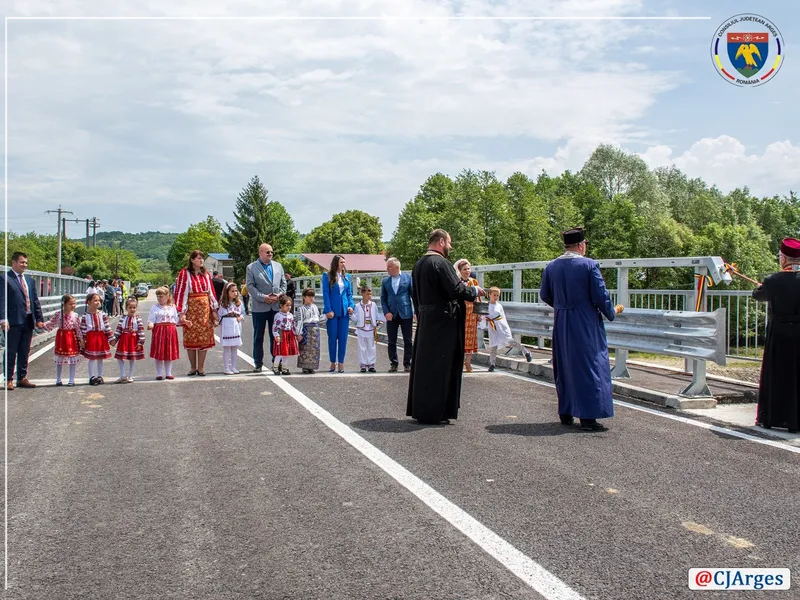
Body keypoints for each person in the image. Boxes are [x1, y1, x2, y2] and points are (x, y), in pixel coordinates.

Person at [540, 227, 624, 432]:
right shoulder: (589, 265)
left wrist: (561, 306)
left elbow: (545, 294)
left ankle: (566, 412)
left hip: (562, 321)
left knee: (565, 365)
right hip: (584, 320)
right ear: (581, 245)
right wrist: (611, 312)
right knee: (590, 365)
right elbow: (600, 296)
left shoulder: (551, 266)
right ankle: (588, 417)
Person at [406, 229, 485, 424]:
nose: (450, 246)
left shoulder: (419, 264)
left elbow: (414, 294)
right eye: (448, 243)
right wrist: (474, 290)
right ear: (441, 242)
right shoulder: (441, 263)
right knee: (442, 366)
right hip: (443, 323)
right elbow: (456, 290)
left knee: (425, 366)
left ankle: (422, 409)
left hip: (426, 319)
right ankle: (438, 410)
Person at [753, 237, 800, 433]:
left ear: (783, 258)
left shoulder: (772, 280)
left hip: (780, 334)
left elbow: (758, 295)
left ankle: (771, 417)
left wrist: (761, 287)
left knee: (777, 374)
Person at [1, 252, 45, 389]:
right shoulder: (5, 278)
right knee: (11, 350)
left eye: (26, 262)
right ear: (13, 262)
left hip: (28, 319)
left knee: (24, 350)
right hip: (13, 321)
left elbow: (35, 301)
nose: (24, 265)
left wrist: (39, 319)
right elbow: (2, 300)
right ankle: (8, 379)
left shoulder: (29, 280)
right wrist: (3, 318)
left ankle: (22, 377)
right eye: (22, 262)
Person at [174, 250, 219, 376]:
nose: (201, 260)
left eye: (202, 258)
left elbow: (211, 292)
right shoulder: (185, 273)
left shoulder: (206, 274)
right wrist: (182, 313)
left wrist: (213, 310)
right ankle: (193, 367)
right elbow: (181, 293)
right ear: (192, 260)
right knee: (191, 339)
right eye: (199, 258)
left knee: (204, 339)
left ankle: (201, 367)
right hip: (192, 311)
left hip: (204, 311)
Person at [246, 243, 287, 373]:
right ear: (260, 253)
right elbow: (250, 287)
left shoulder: (278, 266)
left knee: (275, 336)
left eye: (271, 252)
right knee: (258, 336)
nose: (270, 254)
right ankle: (258, 363)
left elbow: (283, 284)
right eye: (267, 252)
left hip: (275, 306)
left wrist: (279, 295)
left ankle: (277, 362)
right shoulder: (251, 267)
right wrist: (264, 297)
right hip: (260, 307)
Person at [483, 287, 533, 371]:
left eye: (497, 295)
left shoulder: (499, 306)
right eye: (494, 295)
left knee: (510, 341)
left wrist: (506, 328)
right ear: (489, 295)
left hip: (501, 326)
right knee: (493, 345)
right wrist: (481, 319)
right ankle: (492, 364)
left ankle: (526, 351)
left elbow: (503, 318)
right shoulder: (486, 305)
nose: (496, 297)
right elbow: (483, 316)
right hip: (492, 327)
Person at [322, 255, 355, 373]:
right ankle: (332, 362)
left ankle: (341, 362)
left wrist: (351, 306)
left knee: (343, 338)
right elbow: (326, 294)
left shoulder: (347, 276)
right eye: (341, 262)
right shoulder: (327, 276)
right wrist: (328, 310)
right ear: (336, 263)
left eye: (344, 262)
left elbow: (349, 294)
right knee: (332, 338)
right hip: (333, 312)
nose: (343, 264)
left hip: (344, 312)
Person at [381, 257, 414, 373]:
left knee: (408, 340)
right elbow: (383, 298)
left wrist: (415, 312)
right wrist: (386, 312)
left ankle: (407, 363)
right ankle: (394, 363)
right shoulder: (385, 281)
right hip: (391, 313)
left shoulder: (408, 278)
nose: (387, 269)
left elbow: (413, 296)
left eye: (389, 267)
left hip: (405, 312)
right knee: (391, 340)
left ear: (396, 267)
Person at [42, 294, 83, 387]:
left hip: (71, 336)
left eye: (74, 304)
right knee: (59, 357)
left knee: (72, 358)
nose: (73, 306)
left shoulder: (75, 315)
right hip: (61, 336)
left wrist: (81, 339)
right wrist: (43, 325)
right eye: (70, 304)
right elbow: (51, 323)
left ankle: (71, 379)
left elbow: (77, 328)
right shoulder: (58, 313)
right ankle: (58, 379)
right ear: (63, 304)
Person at [80, 292, 114, 386]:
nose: (97, 302)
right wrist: (82, 340)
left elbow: (107, 326)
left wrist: (111, 338)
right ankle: (92, 377)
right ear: (89, 302)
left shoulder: (102, 314)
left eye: (98, 300)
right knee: (91, 358)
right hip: (91, 337)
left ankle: (100, 376)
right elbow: (82, 329)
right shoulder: (85, 315)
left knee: (100, 358)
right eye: (95, 300)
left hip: (101, 336)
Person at [147, 286, 180, 381]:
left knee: (169, 352)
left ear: (167, 296)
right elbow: (151, 319)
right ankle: (159, 373)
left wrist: (184, 322)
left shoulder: (172, 307)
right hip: (159, 331)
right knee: (159, 352)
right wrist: (150, 324)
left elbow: (176, 320)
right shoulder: (154, 308)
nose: (159, 298)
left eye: (161, 296)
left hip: (170, 330)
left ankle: (169, 373)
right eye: (158, 296)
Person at [454, 259, 482, 373]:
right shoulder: (457, 283)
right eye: (465, 269)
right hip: (461, 312)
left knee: (470, 339)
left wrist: (479, 313)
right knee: (460, 338)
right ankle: (459, 363)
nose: (467, 271)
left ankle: (468, 363)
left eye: (468, 269)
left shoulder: (474, 282)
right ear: (460, 271)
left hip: (472, 314)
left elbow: (478, 298)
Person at [110, 297, 146, 383]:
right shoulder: (123, 318)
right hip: (124, 339)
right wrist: (114, 339)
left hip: (133, 339)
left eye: (134, 307)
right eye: (130, 307)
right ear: (126, 308)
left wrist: (140, 342)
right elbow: (118, 329)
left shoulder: (137, 318)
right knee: (120, 357)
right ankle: (123, 374)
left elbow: (140, 330)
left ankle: (130, 375)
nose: (132, 309)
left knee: (132, 358)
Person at [350, 286, 384, 373]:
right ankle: (363, 365)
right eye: (367, 294)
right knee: (362, 347)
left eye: (370, 294)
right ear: (362, 294)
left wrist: (385, 318)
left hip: (371, 329)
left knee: (371, 347)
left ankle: (371, 364)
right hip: (361, 329)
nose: (369, 296)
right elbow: (356, 318)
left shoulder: (373, 305)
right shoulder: (357, 306)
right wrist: (350, 314)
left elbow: (377, 315)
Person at [218, 282, 245, 375]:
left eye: (236, 291)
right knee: (227, 348)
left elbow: (242, 313)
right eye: (232, 291)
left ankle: (233, 367)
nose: (235, 293)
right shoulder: (223, 303)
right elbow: (219, 315)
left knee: (234, 347)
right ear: (227, 292)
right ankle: (226, 367)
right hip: (227, 327)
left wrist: (241, 317)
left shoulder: (239, 303)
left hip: (236, 326)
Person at [295, 288, 323, 374]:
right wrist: (299, 333)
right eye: (309, 296)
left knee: (314, 349)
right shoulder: (301, 309)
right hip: (306, 329)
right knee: (304, 348)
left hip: (315, 330)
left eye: (312, 296)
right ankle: (305, 366)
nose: (311, 298)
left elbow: (318, 318)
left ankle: (312, 366)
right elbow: (299, 321)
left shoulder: (315, 307)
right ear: (304, 297)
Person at [272, 295, 298, 375]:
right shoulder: (278, 315)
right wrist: (276, 335)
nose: (289, 307)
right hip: (281, 333)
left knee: (286, 353)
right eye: (287, 305)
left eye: (290, 305)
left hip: (289, 334)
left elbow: (293, 325)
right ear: (281, 305)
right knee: (280, 352)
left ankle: (285, 368)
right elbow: (275, 326)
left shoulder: (290, 315)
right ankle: (275, 367)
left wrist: (296, 334)